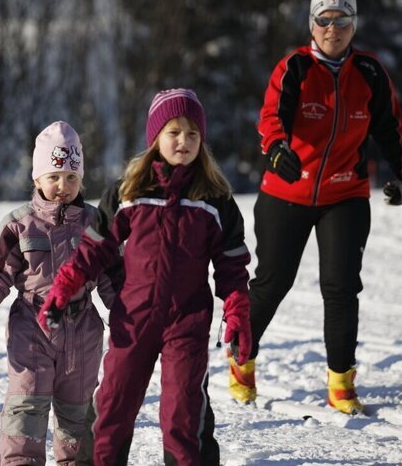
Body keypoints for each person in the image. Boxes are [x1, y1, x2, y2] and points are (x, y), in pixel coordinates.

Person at [39, 89, 252, 465]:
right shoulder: (129, 193)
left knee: (182, 412)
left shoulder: (214, 198)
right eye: (173, 132)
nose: (183, 142)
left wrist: (236, 313)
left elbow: (232, 266)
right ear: (155, 138)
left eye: (192, 134)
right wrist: (64, 288)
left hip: (187, 320)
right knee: (114, 405)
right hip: (133, 317)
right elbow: (94, 250)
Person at [232, 0, 402, 414]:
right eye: (324, 20)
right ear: (312, 25)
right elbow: (271, 117)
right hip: (287, 193)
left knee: (341, 288)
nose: (333, 29)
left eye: (343, 20)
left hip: (345, 193)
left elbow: (392, 127)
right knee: (272, 283)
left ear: (354, 25)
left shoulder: (370, 72)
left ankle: (341, 384)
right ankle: (241, 361)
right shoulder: (294, 67)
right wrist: (277, 150)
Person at [0, 121, 116, 465]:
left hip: (83, 328)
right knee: (27, 405)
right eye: (54, 176)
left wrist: (126, 314)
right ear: (37, 179)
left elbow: (111, 274)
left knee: (78, 411)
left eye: (71, 178)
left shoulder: (95, 222)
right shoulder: (20, 223)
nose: (63, 186)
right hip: (33, 325)